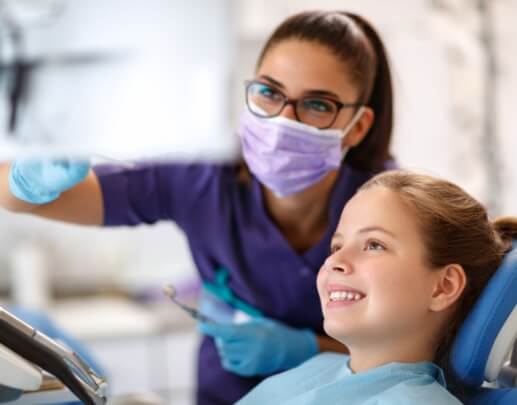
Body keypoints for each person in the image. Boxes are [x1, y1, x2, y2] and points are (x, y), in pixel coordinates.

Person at [0, 10, 394, 404]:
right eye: (269, 93)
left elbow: (420, 351)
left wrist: (313, 348)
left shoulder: (392, 208)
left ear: (357, 126)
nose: (283, 121)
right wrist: (30, 178)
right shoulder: (202, 179)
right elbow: (18, 197)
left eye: (317, 105)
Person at [232, 170, 517, 404]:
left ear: (443, 287)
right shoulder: (318, 369)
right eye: (337, 245)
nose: (335, 261)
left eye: (374, 245)